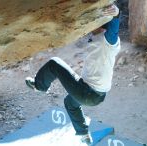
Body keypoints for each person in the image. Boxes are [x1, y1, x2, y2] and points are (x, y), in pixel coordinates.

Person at [25, 4, 120, 145]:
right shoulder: (96, 38)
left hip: (88, 92)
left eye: (92, 25)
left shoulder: (108, 41)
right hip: (95, 94)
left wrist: (117, 14)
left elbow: (114, 29)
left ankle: (40, 86)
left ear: (100, 26)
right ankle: (84, 135)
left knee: (54, 63)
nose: (89, 28)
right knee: (70, 103)